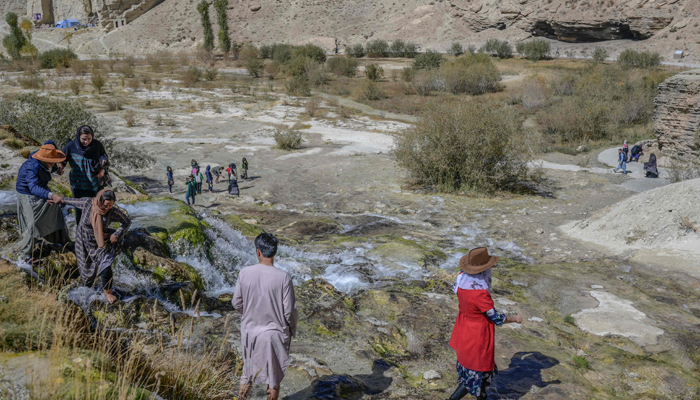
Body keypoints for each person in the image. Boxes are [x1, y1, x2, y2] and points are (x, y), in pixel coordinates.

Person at [447, 248, 523, 400]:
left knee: (471, 370)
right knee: (474, 374)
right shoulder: (479, 293)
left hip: (463, 328)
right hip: (476, 336)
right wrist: (514, 318)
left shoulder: (462, 280)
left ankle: (482, 397)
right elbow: (496, 318)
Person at [233, 233, 297, 400]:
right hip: (274, 333)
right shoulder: (283, 277)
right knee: (273, 378)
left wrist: (249, 314)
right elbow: (289, 311)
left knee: (247, 372)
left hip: (250, 331)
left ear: (258, 252)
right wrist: (291, 330)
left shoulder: (244, 273)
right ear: (274, 252)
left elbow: (236, 302)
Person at [60, 189, 131, 305]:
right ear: (99, 201)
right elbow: (72, 201)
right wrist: (59, 199)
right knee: (85, 268)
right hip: (83, 239)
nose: (107, 208)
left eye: (111, 205)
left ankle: (107, 292)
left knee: (106, 264)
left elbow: (127, 222)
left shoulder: (112, 212)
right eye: (105, 205)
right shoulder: (88, 203)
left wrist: (116, 234)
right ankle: (87, 291)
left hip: (101, 240)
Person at [16, 142, 70, 263]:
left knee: (55, 210)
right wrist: (51, 195)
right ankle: (25, 256)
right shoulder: (32, 167)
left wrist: (57, 166)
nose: (54, 162)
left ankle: (60, 242)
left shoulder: (41, 155)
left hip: (42, 189)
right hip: (28, 194)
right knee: (33, 223)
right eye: (53, 160)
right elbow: (33, 187)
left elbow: (50, 143)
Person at [59, 125, 109, 223]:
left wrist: (103, 170)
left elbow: (104, 157)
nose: (86, 142)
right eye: (84, 139)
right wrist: (60, 167)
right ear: (78, 136)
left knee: (94, 206)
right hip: (77, 183)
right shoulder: (71, 146)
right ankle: (80, 232)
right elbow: (62, 159)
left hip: (93, 182)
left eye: (89, 139)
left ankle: (94, 231)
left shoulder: (97, 145)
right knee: (79, 208)